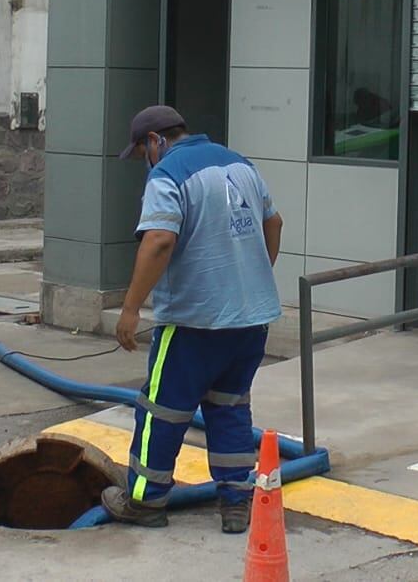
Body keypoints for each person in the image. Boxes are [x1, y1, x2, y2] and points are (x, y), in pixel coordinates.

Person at [102, 105, 284, 535]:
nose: (146, 159)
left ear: (155, 141)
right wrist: (252, 280)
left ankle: (145, 501)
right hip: (250, 322)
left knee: (161, 412)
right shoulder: (240, 163)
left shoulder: (168, 172)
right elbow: (273, 223)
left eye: (144, 151)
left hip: (192, 324)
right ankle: (237, 504)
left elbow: (160, 239)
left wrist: (130, 308)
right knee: (230, 409)